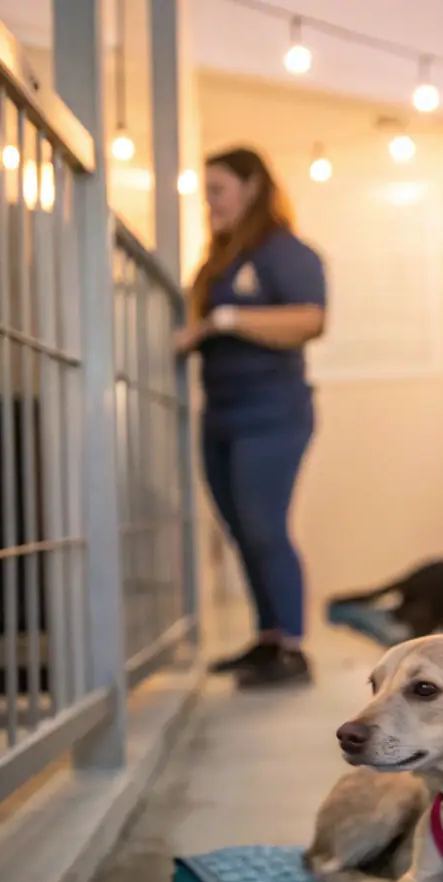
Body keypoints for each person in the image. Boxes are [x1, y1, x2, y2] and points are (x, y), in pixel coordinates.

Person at [176, 147, 326, 685]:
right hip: (221, 413)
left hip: (271, 414)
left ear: (253, 187)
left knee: (266, 527)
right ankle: (267, 638)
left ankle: (292, 645)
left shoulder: (283, 252)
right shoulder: (219, 258)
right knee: (241, 530)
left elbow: (310, 319)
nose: (208, 201)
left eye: (217, 189)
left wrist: (226, 319)